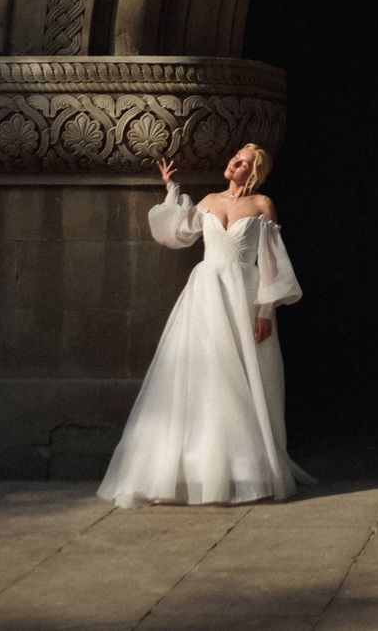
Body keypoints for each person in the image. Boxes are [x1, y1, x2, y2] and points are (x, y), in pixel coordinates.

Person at [99, 142, 313, 507]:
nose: (234, 163)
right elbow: (176, 233)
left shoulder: (262, 205)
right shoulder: (211, 200)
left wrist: (265, 311)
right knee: (202, 374)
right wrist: (171, 191)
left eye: (243, 162)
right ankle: (192, 469)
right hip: (205, 292)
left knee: (242, 376)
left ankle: (247, 469)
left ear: (254, 172)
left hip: (244, 294)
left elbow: (272, 263)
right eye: (234, 157)